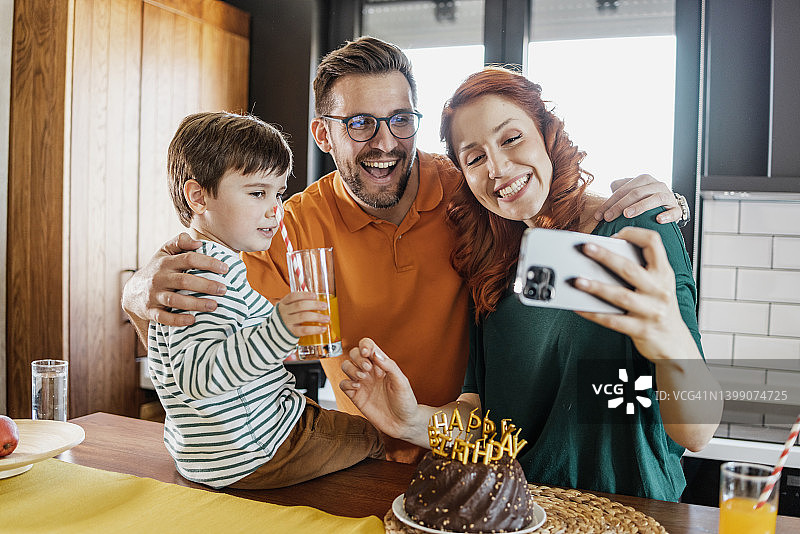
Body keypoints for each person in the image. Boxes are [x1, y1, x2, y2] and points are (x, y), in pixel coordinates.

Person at [122, 37, 688, 464]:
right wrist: (137, 288)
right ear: (324, 135)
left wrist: (619, 206)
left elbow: (534, 198)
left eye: (399, 120)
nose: (385, 142)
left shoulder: (468, 195)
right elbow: (202, 302)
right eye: (362, 124)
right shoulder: (289, 226)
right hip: (363, 462)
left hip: (482, 458)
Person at [340, 67, 722, 501]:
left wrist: (668, 331)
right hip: (522, 517)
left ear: (546, 134)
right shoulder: (487, 265)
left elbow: (697, 430)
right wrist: (412, 422)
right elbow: (482, 422)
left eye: (510, 138)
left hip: (630, 515)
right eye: (475, 157)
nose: (498, 168)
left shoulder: (633, 228)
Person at [149, 111, 383, 490]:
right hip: (255, 451)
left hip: (204, 455)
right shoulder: (208, 274)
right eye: (258, 193)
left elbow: (226, 347)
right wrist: (280, 329)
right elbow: (198, 376)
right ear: (199, 196)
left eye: (279, 193)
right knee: (372, 437)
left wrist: (281, 337)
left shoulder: (195, 266)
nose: (275, 210)